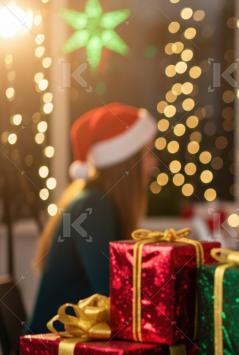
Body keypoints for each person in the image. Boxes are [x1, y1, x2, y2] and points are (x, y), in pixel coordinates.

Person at [28, 103, 157, 333]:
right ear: (126, 162)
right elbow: (111, 294)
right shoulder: (92, 207)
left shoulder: (92, 201)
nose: (153, 164)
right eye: (148, 153)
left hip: (71, 344)